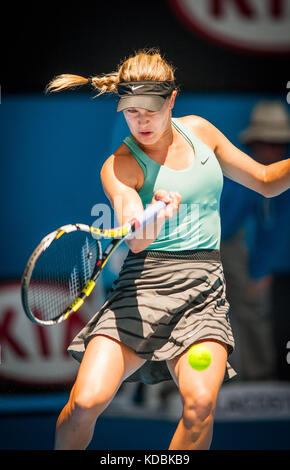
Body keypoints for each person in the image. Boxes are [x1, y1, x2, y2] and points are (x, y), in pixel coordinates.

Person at [46, 49, 290, 450]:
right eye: (131, 111)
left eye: (151, 110)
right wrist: (155, 214)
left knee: (199, 406)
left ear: (172, 99)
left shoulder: (202, 132)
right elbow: (138, 238)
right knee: (84, 403)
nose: (141, 121)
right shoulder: (120, 164)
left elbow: (264, 179)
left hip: (204, 293)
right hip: (141, 291)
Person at [219, 101, 290, 381]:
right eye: (267, 141)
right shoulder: (232, 167)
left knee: (254, 306)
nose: (275, 149)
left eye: (281, 143)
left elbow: (273, 228)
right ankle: (222, 380)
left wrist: (261, 271)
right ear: (254, 141)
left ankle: (260, 379)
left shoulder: (283, 175)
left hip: (237, 246)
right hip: (201, 244)